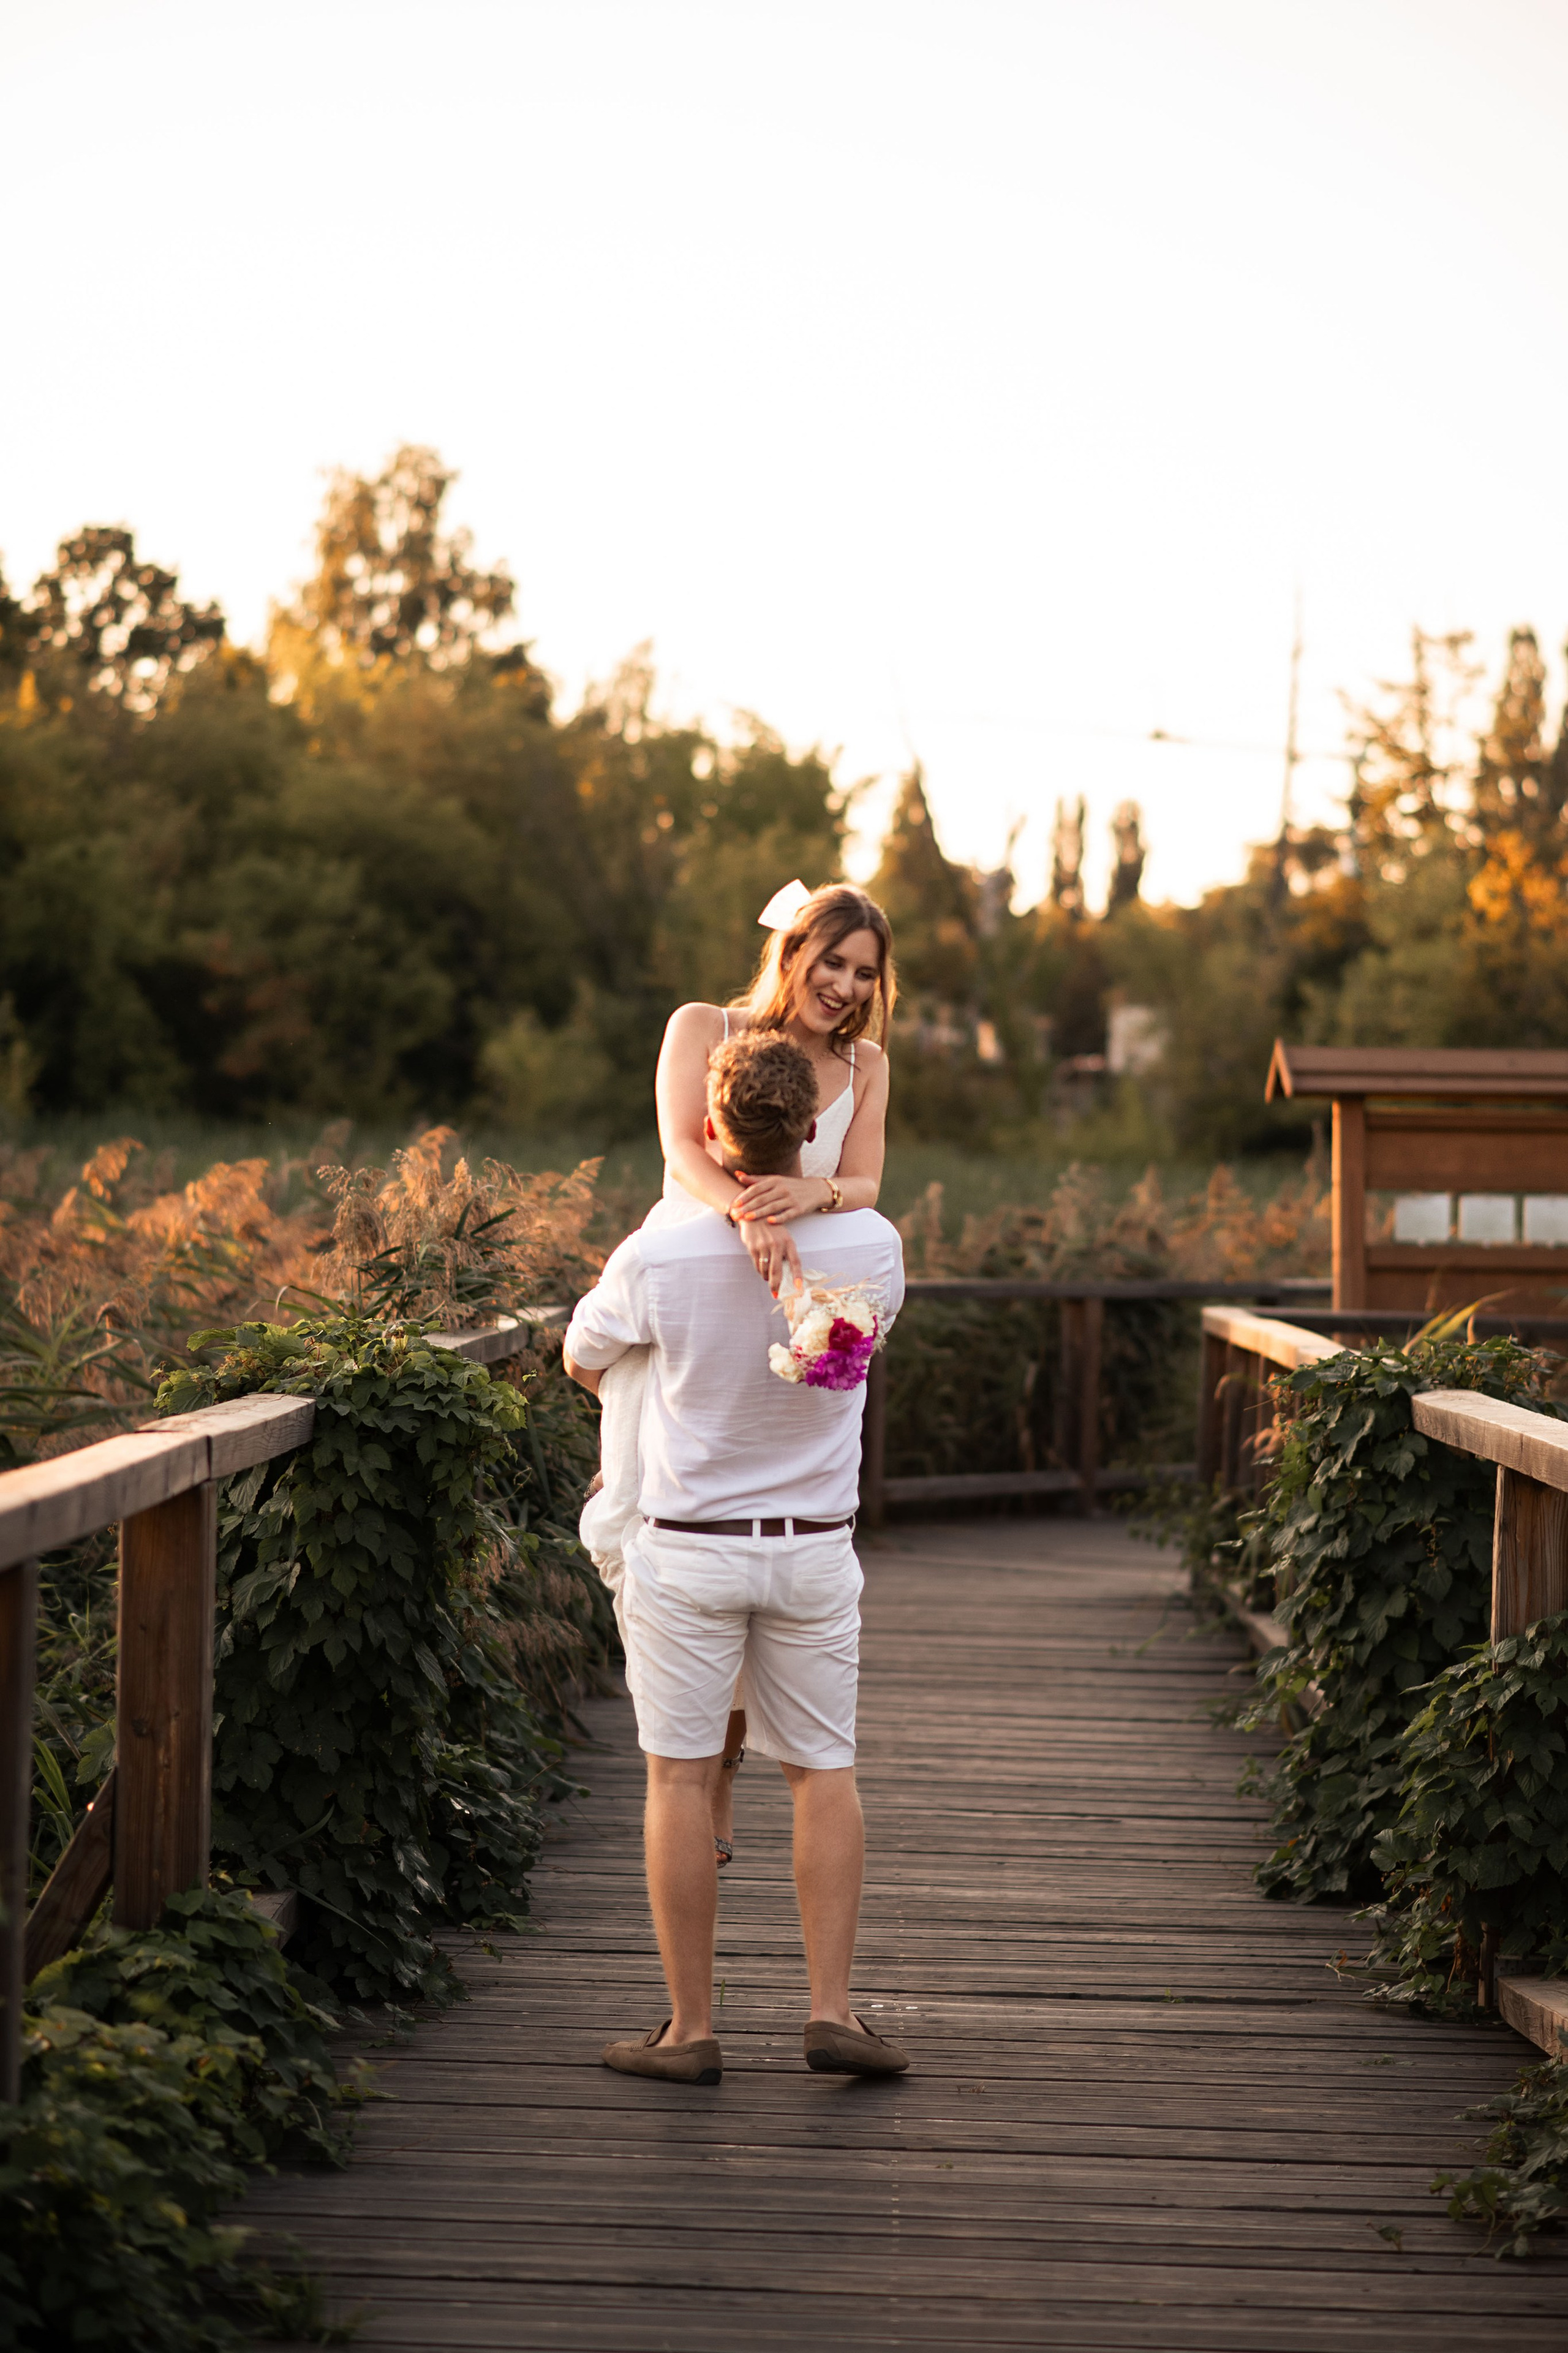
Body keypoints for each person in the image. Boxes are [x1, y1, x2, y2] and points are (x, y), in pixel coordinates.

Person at [564, 1029, 908, 2085]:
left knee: (677, 1777)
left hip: (688, 1551)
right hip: (811, 1550)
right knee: (823, 1773)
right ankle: (832, 2011)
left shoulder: (657, 1251)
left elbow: (582, 1356)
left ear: (710, 1132)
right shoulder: (876, 1247)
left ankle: (692, 2030)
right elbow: (857, 1347)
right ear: (814, 1128)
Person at [647, 882, 896, 1860]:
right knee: (684, 1518)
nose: (843, 985)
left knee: (784, 1523)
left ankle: (729, 1755)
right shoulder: (705, 1025)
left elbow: (869, 1180)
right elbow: (678, 1151)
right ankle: (691, 1761)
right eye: (831, 961)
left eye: (863, 973)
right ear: (794, 949)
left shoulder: (865, 1064)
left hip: (806, 1282)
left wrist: (812, 1192)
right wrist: (747, 1214)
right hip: (710, 1268)